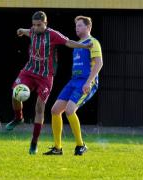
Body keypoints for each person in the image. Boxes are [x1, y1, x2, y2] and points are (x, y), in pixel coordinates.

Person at [6, 11, 92, 155]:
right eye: (33, 25)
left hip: (45, 76)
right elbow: (28, 32)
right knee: (15, 93)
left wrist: (83, 46)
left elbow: (68, 42)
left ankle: (34, 143)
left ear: (45, 24)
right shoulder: (33, 30)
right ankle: (18, 117)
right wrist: (22, 30)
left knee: (39, 107)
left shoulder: (52, 35)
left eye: (39, 25)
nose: (35, 28)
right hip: (29, 70)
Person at [43, 16, 103, 155]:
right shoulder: (78, 45)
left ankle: (81, 145)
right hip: (73, 81)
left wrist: (88, 82)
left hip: (86, 81)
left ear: (89, 27)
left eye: (80, 25)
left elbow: (99, 63)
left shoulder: (93, 42)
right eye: (76, 25)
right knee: (55, 110)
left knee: (70, 110)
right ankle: (57, 148)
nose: (77, 28)